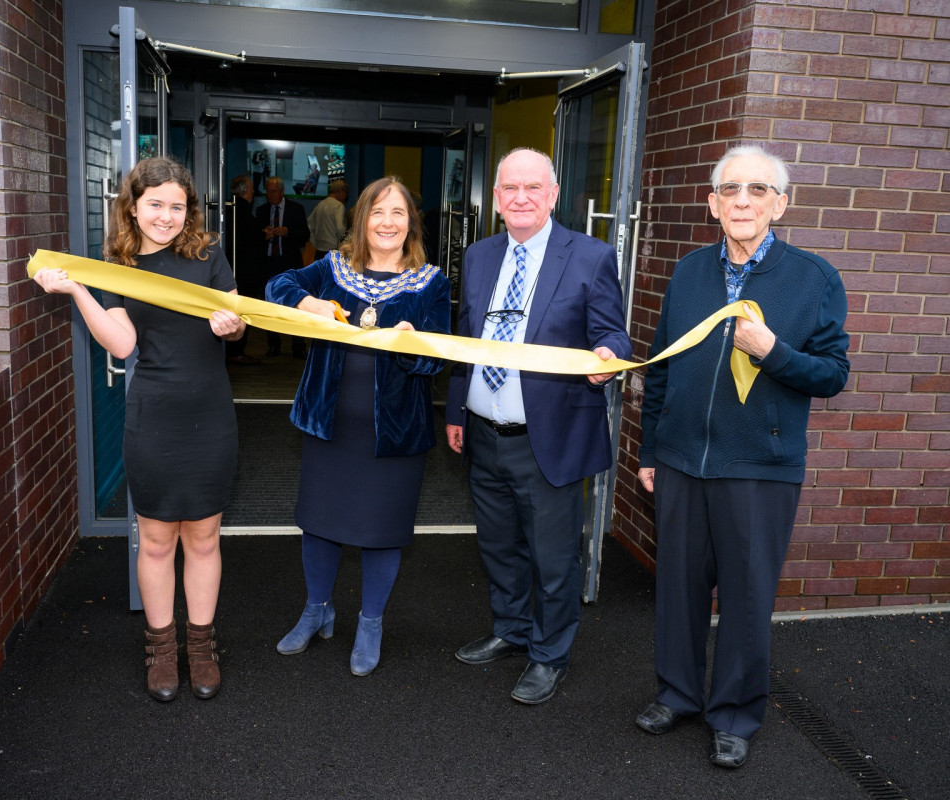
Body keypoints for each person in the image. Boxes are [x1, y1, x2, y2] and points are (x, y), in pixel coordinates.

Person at [634, 144, 850, 768]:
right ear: (713, 204)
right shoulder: (690, 272)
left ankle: (734, 714)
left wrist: (774, 350)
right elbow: (663, 365)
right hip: (680, 462)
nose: (744, 201)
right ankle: (676, 695)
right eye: (731, 191)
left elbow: (833, 374)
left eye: (758, 190)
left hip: (760, 468)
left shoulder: (813, 278)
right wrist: (651, 449)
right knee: (677, 589)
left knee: (747, 597)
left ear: (781, 203)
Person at [31, 157, 246, 702]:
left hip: (210, 415)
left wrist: (232, 323)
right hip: (153, 415)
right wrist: (79, 291)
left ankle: (200, 647)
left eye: (177, 206)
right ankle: (160, 647)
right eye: (155, 205)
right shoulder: (120, 266)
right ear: (133, 206)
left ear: (188, 211)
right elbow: (123, 346)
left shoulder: (207, 256)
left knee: (202, 536)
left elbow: (236, 320)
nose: (167, 216)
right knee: (154, 540)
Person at [445, 148, 631, 705]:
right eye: (509, 189)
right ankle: (511, 629)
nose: (520, 198)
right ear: (495, 198)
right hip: (483, 431)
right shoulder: (477, 256)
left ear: (551, 195)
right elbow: (463, 337)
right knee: (499, 547)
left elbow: (614, 334)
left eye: (532, 188)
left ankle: (549, 654)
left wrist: (605, 355)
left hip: (547, 439)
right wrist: (456, 410)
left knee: (553, 557)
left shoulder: (590, 256)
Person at [266, 176, 451, 677]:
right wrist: (305, 302)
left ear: (412, 222)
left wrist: (418, 345)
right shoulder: (331, 268)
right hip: (328, 425)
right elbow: (275, 286)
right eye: (377, 212)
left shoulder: (433, 282)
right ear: (361, 218)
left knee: (381, 531)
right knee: (319, 524)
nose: (387, 222)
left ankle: (371, 622)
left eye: (398, 213)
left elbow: (440, 360)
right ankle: (316, 609)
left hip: (395, 434)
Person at [256, 175, 310, 357]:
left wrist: (289, 232)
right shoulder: (261, 211)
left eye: (272, 191)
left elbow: (305, 235)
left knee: (295, 303)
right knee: (268, 305)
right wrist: (264, 234)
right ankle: (273, 344)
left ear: (281, 191)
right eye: (267, 192)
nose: (269, 195)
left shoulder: (296, 209)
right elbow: (254, 238)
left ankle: (298, 344)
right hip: (268, 263)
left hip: (289, 264)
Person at [224, 174, 265, 365]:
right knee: (243, 309)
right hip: (245, 271)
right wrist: (263, 234)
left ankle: (233, 350)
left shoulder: (229, 207)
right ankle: (236, 351)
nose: (254, 193)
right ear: (246, 191)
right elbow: (250, 238)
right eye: (252, 189)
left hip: (233, 267)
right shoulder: (242, 210)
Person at [307, 179, 349, 259]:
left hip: (319, 252)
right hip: (334, 252)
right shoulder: (339, 206)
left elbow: (309, 224)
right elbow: (340, 228)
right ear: (340, 191)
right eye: (345, 192)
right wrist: (344, 244)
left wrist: (314, 242)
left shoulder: (320, 204)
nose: (345, 196)